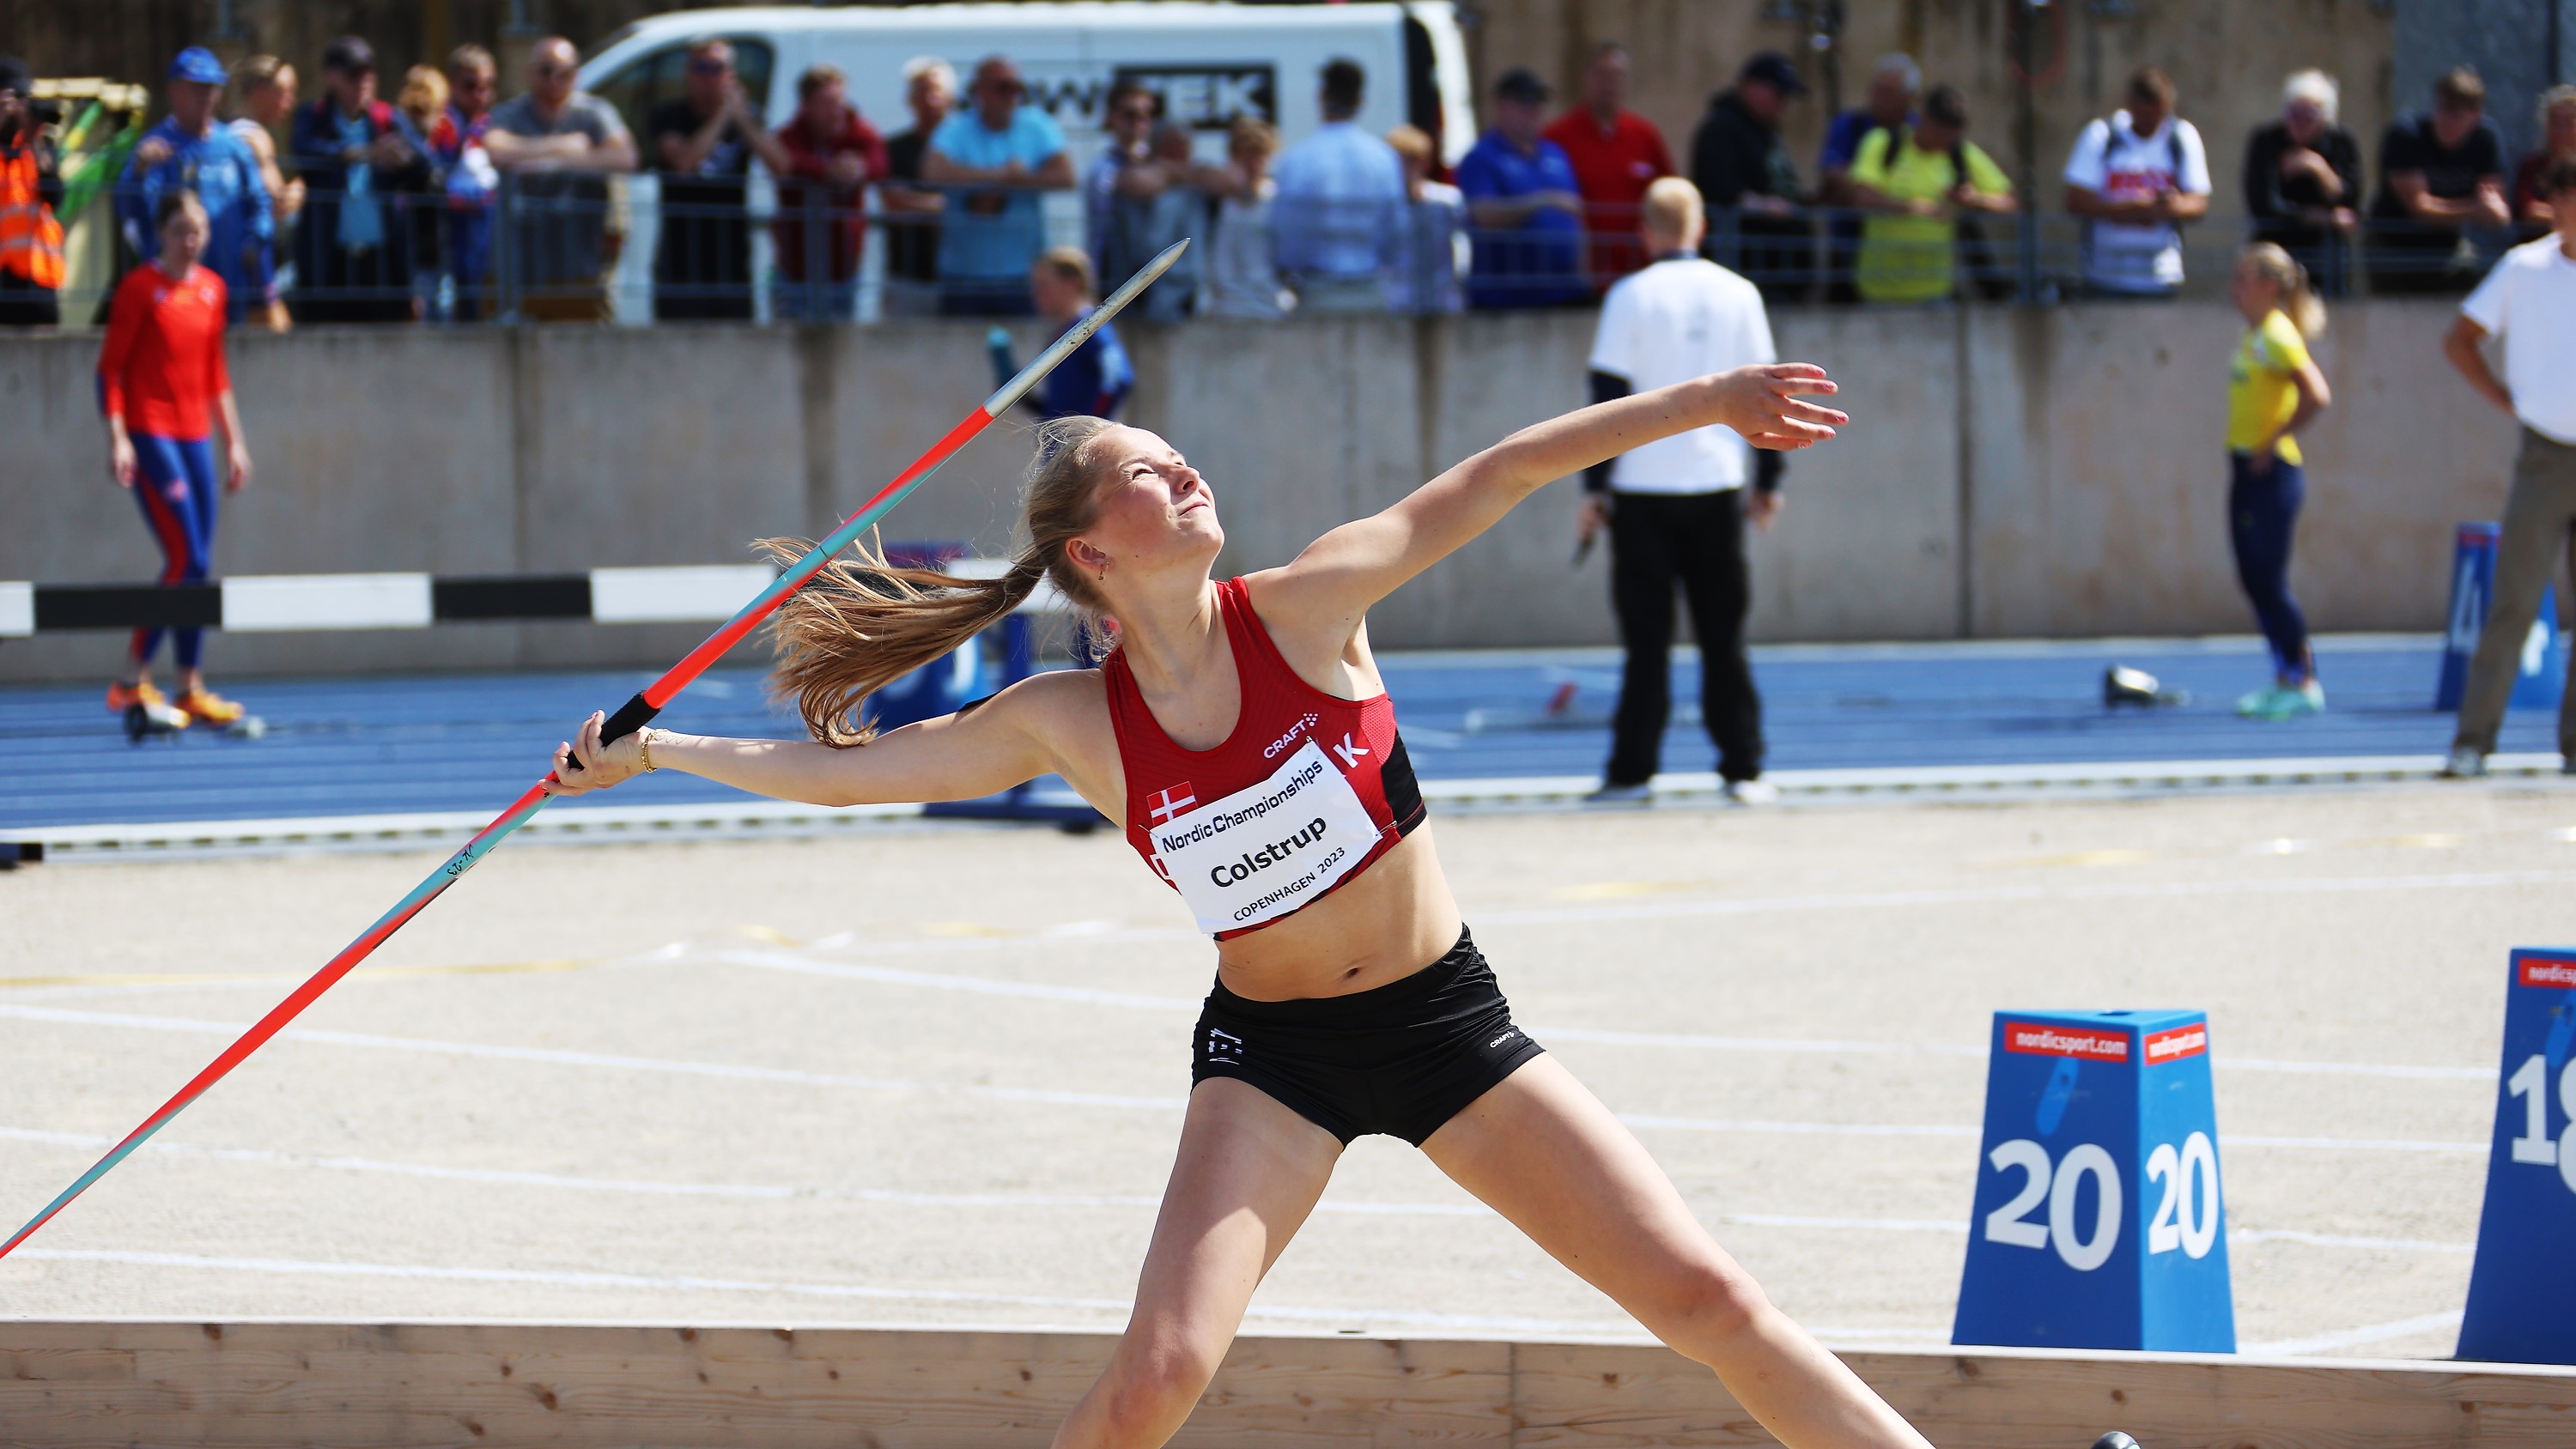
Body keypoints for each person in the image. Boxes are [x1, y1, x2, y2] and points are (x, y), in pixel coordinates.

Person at [534, 334, 1918, 1449]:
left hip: (1450, 1027)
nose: (1186, 475)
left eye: (1182, 457)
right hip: (1275, 1062)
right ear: (1093, 550)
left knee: (1705, 1295)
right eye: (1150, 473)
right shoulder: (1064, 720)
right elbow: (853, 773)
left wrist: (1709, 401)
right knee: (1157, 1379)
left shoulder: (1311, 604)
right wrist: (657, 750)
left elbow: (1499, 475)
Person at [1574, 177, 1781, 803]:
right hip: (1717, 487)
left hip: (1640, 489)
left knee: (1645, 644)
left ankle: (1633, 771)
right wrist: (1769, 480)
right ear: (1700, 227)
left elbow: (1605, 401)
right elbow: (1769, 392)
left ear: (1644, 229)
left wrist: (1593, 489)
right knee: (1725, 638)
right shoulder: (1739, 293)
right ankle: (1742, 767)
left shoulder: (1628, 296)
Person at [2439, 156, 2576, 779]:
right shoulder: (2525, 268)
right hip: (2546, 452)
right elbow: (2460, 337)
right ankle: (2474, 741)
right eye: (2568, 202)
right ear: (2553, 206)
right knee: (2515, 600)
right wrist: (2502, 397)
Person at [96, 191, 253, 732]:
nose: (191, 242)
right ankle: (129, 677)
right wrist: (118, 439)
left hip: (196, 437)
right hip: (150, 433)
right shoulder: (139, 289)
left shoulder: (213, 289)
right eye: (181, 231)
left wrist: (234, 441)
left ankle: (188, 686)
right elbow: (110, 371)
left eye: (198, 231)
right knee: (184, 555)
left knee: (197, 566)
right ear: (160, 233)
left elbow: (216, 374)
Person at [2222, 244, 2334, 720]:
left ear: (2270, 286)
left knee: (2268, 578)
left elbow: (2317, 394)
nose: (2236, 288)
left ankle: (2303, 679)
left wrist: (2273, 441)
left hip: (2273, 472)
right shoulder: (2254, 337)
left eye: (2245, 278)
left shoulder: (2276, 335)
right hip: (2245, 469)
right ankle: (2283, 673)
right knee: (2253, 579)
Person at [483, 36, 637, 322]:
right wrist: (564, 147)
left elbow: (624, 157)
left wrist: (538, 159)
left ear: (575, 74)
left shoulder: (594, 113)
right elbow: (495, 148)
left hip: (580, 267)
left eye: (563, 72)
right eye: (545, 70)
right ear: (529, 73)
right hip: (521, 267)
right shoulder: (510, 113)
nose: (554, 79)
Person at [118, 47, 273, 326]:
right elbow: (130, 208)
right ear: (173, 91)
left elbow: (260, 202)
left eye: (212, 88)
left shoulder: (233, 147)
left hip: (228, 287)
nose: (206, 96)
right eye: (196, 88)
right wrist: (139, 171)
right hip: (172, 289)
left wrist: (254, 242)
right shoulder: (154, 147)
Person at [646, 38, 789, 322]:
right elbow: (685, 163)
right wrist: (724, 115)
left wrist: (744, 120)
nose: (710, 76)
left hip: (732, 264)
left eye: (718, 68)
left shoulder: (747, 119)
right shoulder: (668, 116)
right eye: (702, 67)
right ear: (688, 74)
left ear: (731, 75)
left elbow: (782, 167)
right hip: (680, 264)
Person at [289, 36, 429, 324]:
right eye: (353, 75)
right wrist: (364, 152)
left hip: (382, 262)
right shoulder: (313, 116)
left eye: (369, 74)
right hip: (329, 262)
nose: (363, 83)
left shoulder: (387, 118)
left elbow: (426, 166)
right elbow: (306, 152)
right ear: (331, 76)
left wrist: (402, 158)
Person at [922, 55, 1073, 317]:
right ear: (980, 91)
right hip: (964, 276)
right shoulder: (956, 128)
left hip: (1022, 276)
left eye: (1016, 88)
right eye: (1002, 88)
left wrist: (1022, 182)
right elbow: (932, 171)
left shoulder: (1036, 124)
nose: (1010, 96)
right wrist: (997, 176)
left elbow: (1065, 176)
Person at [1842, 83, 2015, 304]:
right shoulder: (1883, 143)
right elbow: (1860, 196)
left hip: (1935, 293)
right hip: (1877, 291)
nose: (1947, 136)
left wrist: (1975, 199)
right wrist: (1913, 208)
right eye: (1942, 127)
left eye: (1955, 129)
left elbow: (2011, 202)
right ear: (1924, 117)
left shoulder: (1962, 154)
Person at [2062, 65, 2211, 299]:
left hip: (2160, 277)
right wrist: (2132, 207)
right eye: (2146, 115)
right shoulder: (2102, 135)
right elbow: (2075, 201)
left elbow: (2199, 202)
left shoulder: (2180, 136)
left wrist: (2169, 206)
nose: (2153, 122)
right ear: (2130, 104)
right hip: (2103, 277)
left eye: (2159, 114)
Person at [1271, 57, 1406, 313]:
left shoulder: (1298, 158)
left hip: (1317, 289)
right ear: (1360, 101)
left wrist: (1290, 272)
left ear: (1321, 97)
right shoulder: (1383, 157)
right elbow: (1395, 227)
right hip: (1371, 287)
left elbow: (1286, 231)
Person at [1542, 42, 1674, 292]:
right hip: (1581, 279)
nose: (1609, 83)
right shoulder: (1557, 137)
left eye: (1617, 75)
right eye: (1601, 74)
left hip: (1639, 274)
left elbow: (1666, 197)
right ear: (1586, 79)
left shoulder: (1645, 135)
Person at [2368, 67, 2509, 295]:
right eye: (2442, 108)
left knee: (2471, 296)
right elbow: (2421, 209)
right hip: (2393, 247)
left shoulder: (2486, 140)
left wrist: (2494, 212)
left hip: (2449, 247)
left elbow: (2495, 209)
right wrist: (2474, 209)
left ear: (2475, 115)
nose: (2445, 120)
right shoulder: (2405, 135)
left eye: (2456, 114)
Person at [1457, 66, 1586, 309]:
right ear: (1502, 106)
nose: (1534, 110)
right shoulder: (1482, 157)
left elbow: (1576, 215)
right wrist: (1541, 201)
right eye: (1526, 102)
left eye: (1539, 102)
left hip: (1564, 293)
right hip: (1506, 299)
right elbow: (1484, 215)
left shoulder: (1555, 153)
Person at [1690, 51, 1812, 304]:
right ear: (1750, 87)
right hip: (1745, 276)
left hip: (1781, 274)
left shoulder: (1767, 131)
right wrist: (1764, 206)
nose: (1783, 102)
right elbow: (1719, 189)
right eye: (1778, 93)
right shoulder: (1721, 129)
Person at [771, 63, 887, 324]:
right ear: (806, 105)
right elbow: (788, 162)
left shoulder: (860, 132)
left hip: (844, 270)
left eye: (839, 101)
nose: (836, 110)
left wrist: (860, 169)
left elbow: (880, 165)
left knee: (842, 346)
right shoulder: (790, 135)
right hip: (796, 270)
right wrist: (828, 170)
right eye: (826, 102)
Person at [2243, 70, 2363, 294]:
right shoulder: (2266, 141)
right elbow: (2262, 205)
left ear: (2325, 117)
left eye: (2308, 115)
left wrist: (2319, 169)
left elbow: (2350, 203)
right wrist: (2320, 217)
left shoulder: (2340, 141)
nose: (2298, 122)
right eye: (2292, 113)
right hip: (2277, 250)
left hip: (2324, 258)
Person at [1816, 54, 1920, 304]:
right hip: (1849, 245)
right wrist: (1876, 190)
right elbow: (1833, 174)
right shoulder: (1850, 125)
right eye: (1875, 88)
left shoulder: (1918, 132)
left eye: (1887, 91)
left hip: (1905, 257)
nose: (1877, 97)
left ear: (1908, 98)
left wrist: (1870, 190)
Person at [989, 246, 1134, 422]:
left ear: (1072, 284)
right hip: (1060, 447)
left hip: (1080, 446)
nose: (1036, 294)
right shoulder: (1063, 333)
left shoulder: (1091, 328)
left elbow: (1118, 376)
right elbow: (1057, 411)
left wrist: (1089, 427)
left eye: (1044, 285)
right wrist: (1018, 394)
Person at [1100, 119, 1209, 321]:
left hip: (1193, 292)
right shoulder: (1139, 177)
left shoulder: (1195, 185)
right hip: (1148, 289)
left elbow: (1231, 182)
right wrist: (1173, 170)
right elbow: (1138, 184)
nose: (1180, 152)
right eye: (1174, 145)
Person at [226, 55, 301, 330]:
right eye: (285, 92)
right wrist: (301, 188)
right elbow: (279, 205)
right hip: (254, 258)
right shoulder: (255, 137)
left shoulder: (226, 132)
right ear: (260, 92)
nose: (290, 102)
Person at [427, 45, 499, 322]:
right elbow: (438, 166)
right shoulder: (443, 123)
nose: (480, 95)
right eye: (471, 86)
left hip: (484, 225)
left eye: (487, 86)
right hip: (451, 227)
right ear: (453, 85)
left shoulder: (490, 122)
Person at [879, 57, 954, 318]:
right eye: (923, 92)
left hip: (958, 277)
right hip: (907, 277)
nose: (931, 100)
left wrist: (919, 204)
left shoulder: (964, 148)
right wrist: (947, 206)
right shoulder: (893, 148)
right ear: (910, 99)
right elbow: (892, 202)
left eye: (936, 92)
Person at [1204, 118, 1290, 320]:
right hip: (1225, 309)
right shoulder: (1214, 199)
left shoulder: (1278, 200)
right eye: (1246, 156)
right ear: (1233, 156)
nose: (1253, 165)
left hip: (1271, 308)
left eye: (1260, 156)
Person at [0, 55, 64, 327]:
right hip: (5, 278)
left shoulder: (40, 147)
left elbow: (56, 197)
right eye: (19, 99)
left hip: (40, 278)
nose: (24, 108)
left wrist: (34, 142)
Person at [1385, 122, 1464, 315]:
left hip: (1443, 302)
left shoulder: (1448, 202)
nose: (1403, 168)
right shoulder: (1384, 207)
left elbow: (1463, 247)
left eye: (1410, 160)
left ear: (1425, 162)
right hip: (1396, 305)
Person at [1085, 77, 1161, 271]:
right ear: (1112, 117)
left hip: (1158, 279)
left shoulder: (1159, 162)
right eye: (1130, 114)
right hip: (1115, 277)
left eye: (1146, 115)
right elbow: (1132, 184)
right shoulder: (1101, 167)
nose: (1138, 123)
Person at [2511, 85, 2576, 233]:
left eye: (2569, 122)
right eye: (2555, 122)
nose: (2561, 130)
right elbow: (2529, 210)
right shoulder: (2532, 167)